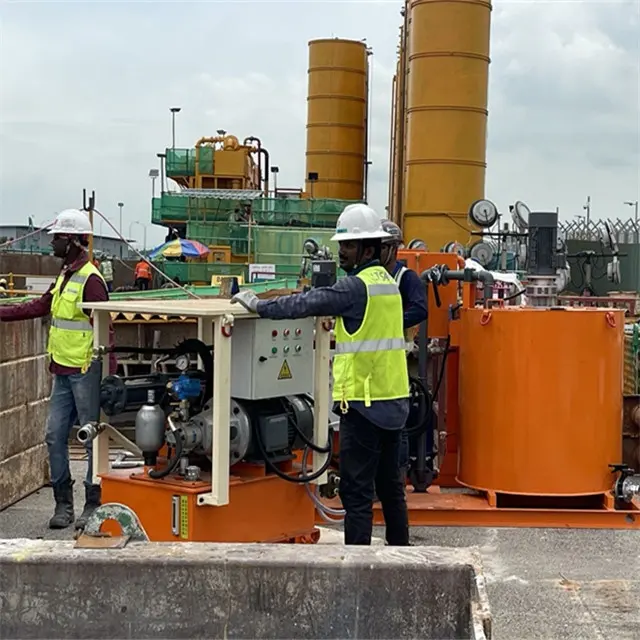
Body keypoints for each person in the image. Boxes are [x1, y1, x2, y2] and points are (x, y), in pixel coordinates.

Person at [231, 203, 410, 546]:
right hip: (394, 402)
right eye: (341, 244)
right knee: (391, 490)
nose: (341, 251)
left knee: (357, 495)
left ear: (367, 248)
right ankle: (401, 561)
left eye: (348, 245)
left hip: (363, 404)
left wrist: (257, 304)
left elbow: (305, 303)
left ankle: (357, 573)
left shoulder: (354, 289)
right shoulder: (387, 283)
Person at [0, 209, 115, 530]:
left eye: (57, 238)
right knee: (53, 436)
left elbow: (105, 329)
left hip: (84, 370)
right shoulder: (66, 275)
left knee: (91, 438)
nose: (52, 244)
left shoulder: (91, 279)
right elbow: (40, 306)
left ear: (74, 241)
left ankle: (94, 504)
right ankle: (63, 503)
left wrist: (108, 373)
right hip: (61, 371)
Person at [379, 220, 428, 480]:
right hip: (372, 361)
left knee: (398, 420)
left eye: (385, 246)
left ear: (395, 248)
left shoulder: (405, 278)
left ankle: (397, 477)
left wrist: (391, 321)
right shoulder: (368, 275)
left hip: (399, 359)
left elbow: (420, 309)